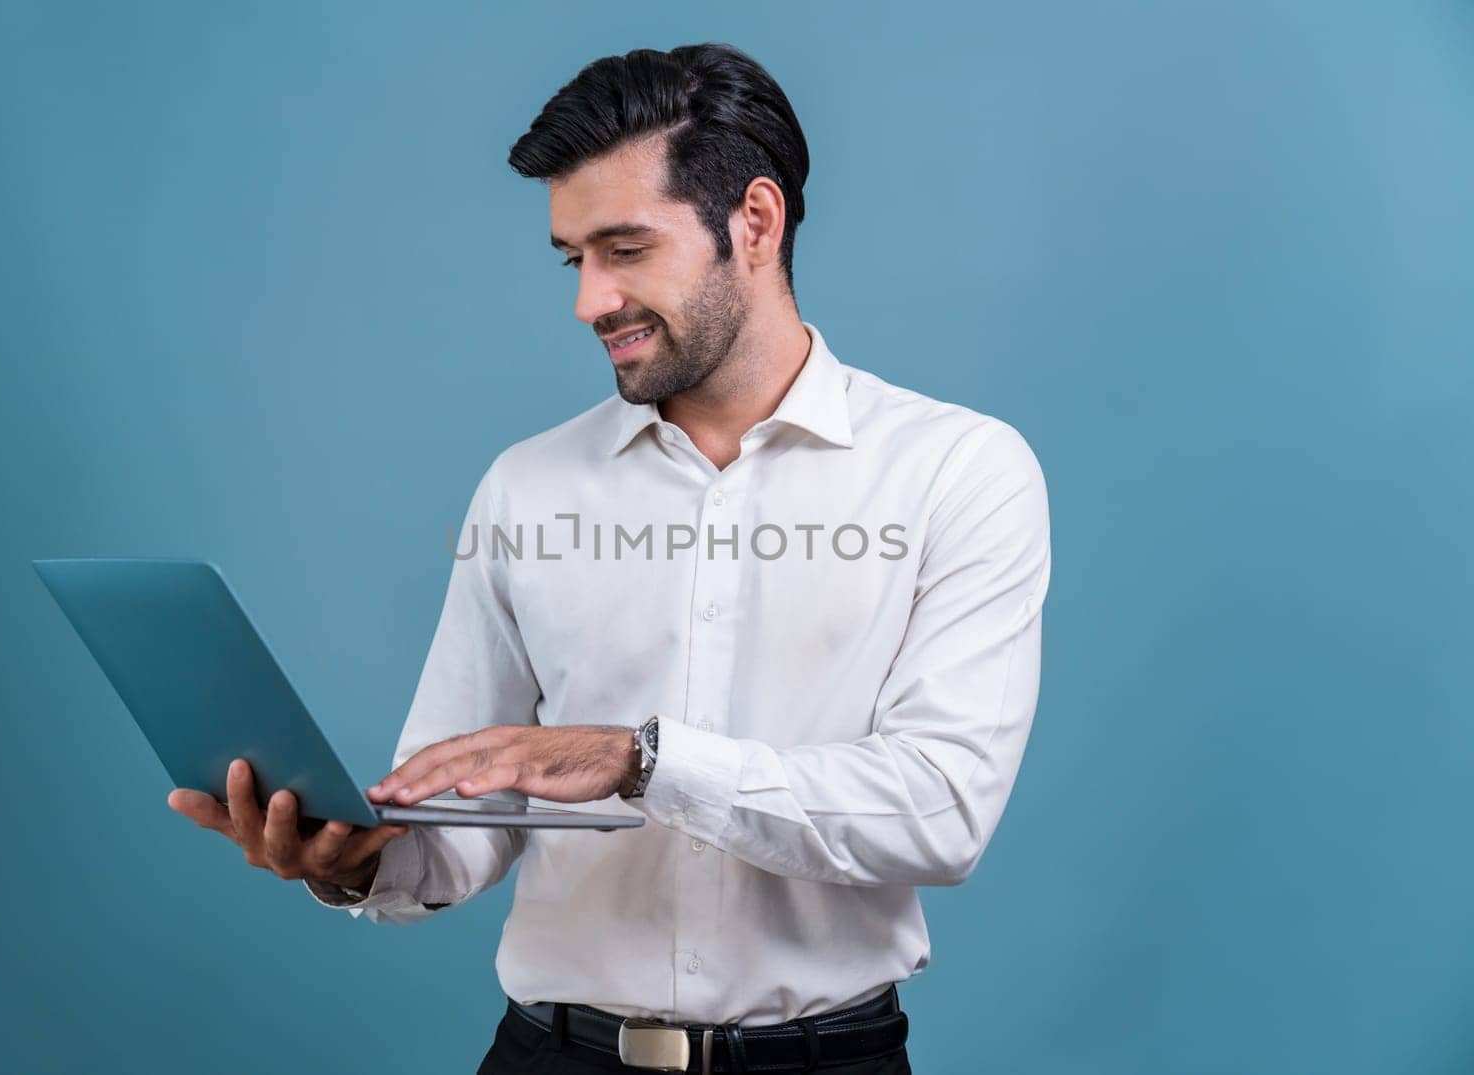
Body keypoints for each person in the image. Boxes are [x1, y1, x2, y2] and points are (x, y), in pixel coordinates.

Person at [168, 42, 1051, 1074]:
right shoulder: (526, 486)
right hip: (551, 1056)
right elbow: (464, 824)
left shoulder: (958, 471)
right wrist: (357, 861)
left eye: (624, 249)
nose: (588, 301)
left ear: (753, 224)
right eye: (572, 257)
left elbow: (941, 811)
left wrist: (639, 758)